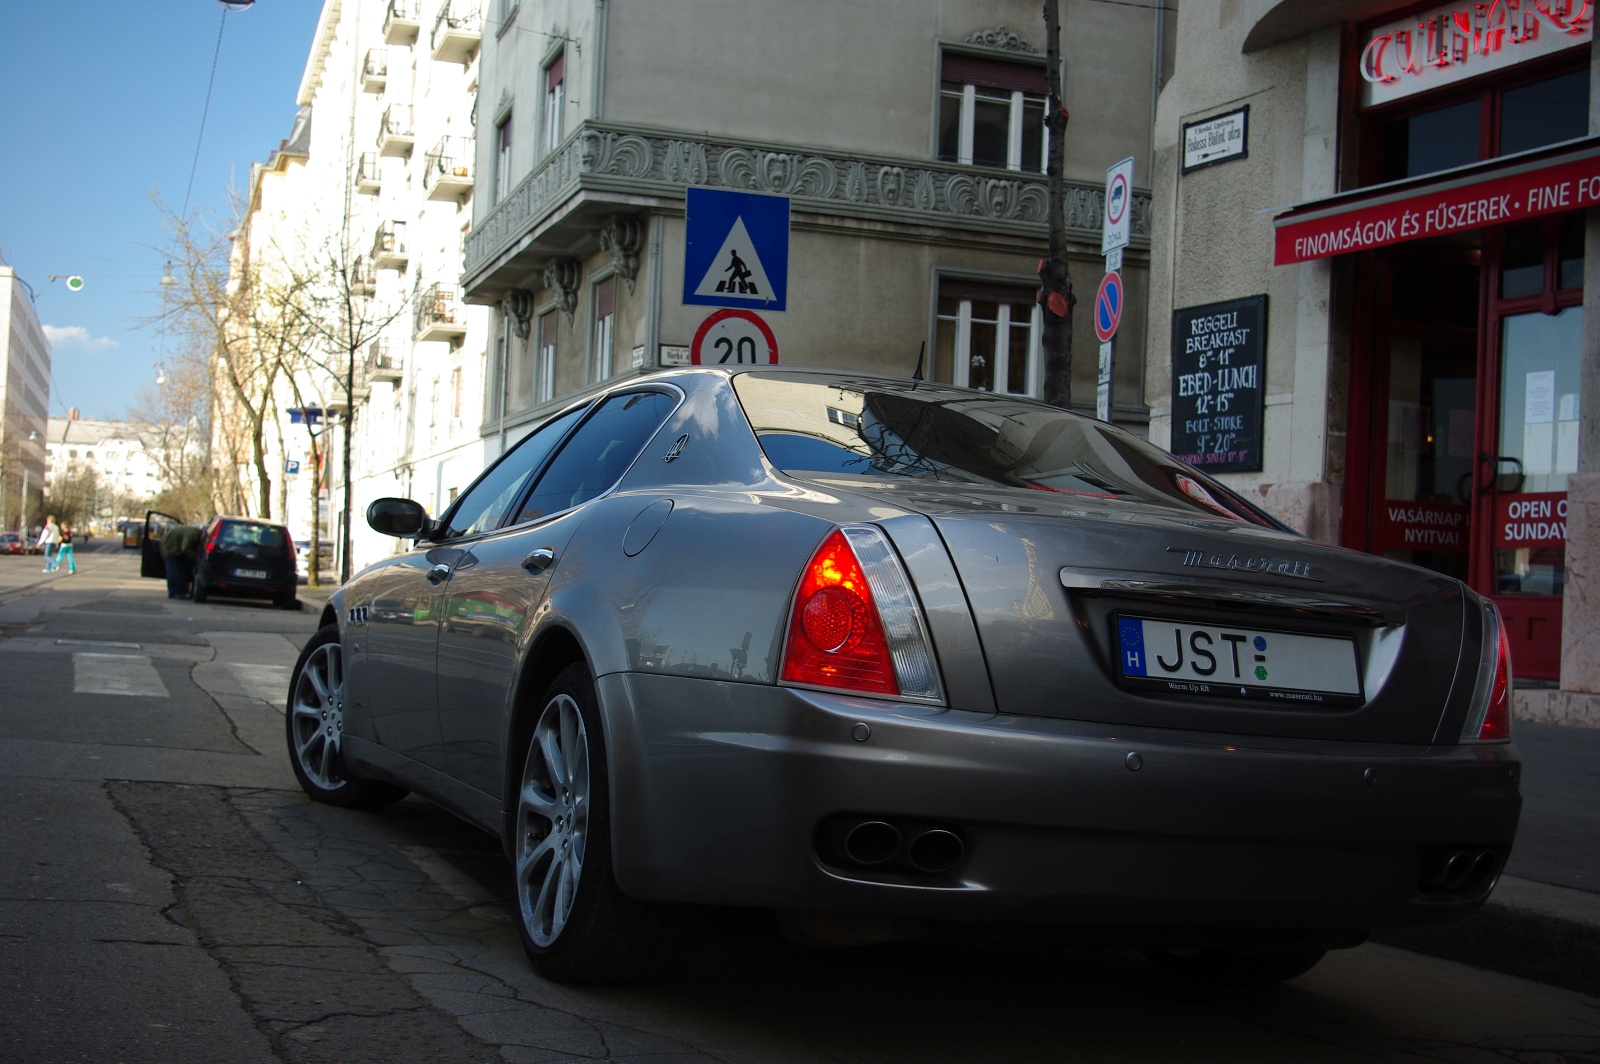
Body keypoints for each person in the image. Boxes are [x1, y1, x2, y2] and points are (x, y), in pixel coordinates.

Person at [160, 522, 201, 599]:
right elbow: (185, 547)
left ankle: (179, 591)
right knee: (174, 572)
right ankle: (174, 592)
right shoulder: (192, 534)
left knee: (178, 571)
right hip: (170, 550)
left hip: (173, 548)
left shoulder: (192, 531)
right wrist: (193, 556)